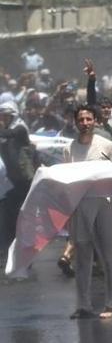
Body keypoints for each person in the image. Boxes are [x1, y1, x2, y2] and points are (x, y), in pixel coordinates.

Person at [64, 104, 112, 320]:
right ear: (75, 122)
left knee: (109, 255)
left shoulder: (106, 145)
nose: (85, 123)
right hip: (80, 205)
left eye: (89, 119)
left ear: (96, 121)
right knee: (82, 257)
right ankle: (83, 305)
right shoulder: (70, 148)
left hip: (103, 204)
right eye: (81, 120)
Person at [0, 101, 37, 269]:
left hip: (23, 182)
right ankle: (8, 254)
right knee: (8, 220)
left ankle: (25, 255)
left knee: (22, 219)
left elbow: (9, 134)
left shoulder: (19, 128)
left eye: (5, 115)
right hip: (11, 183)